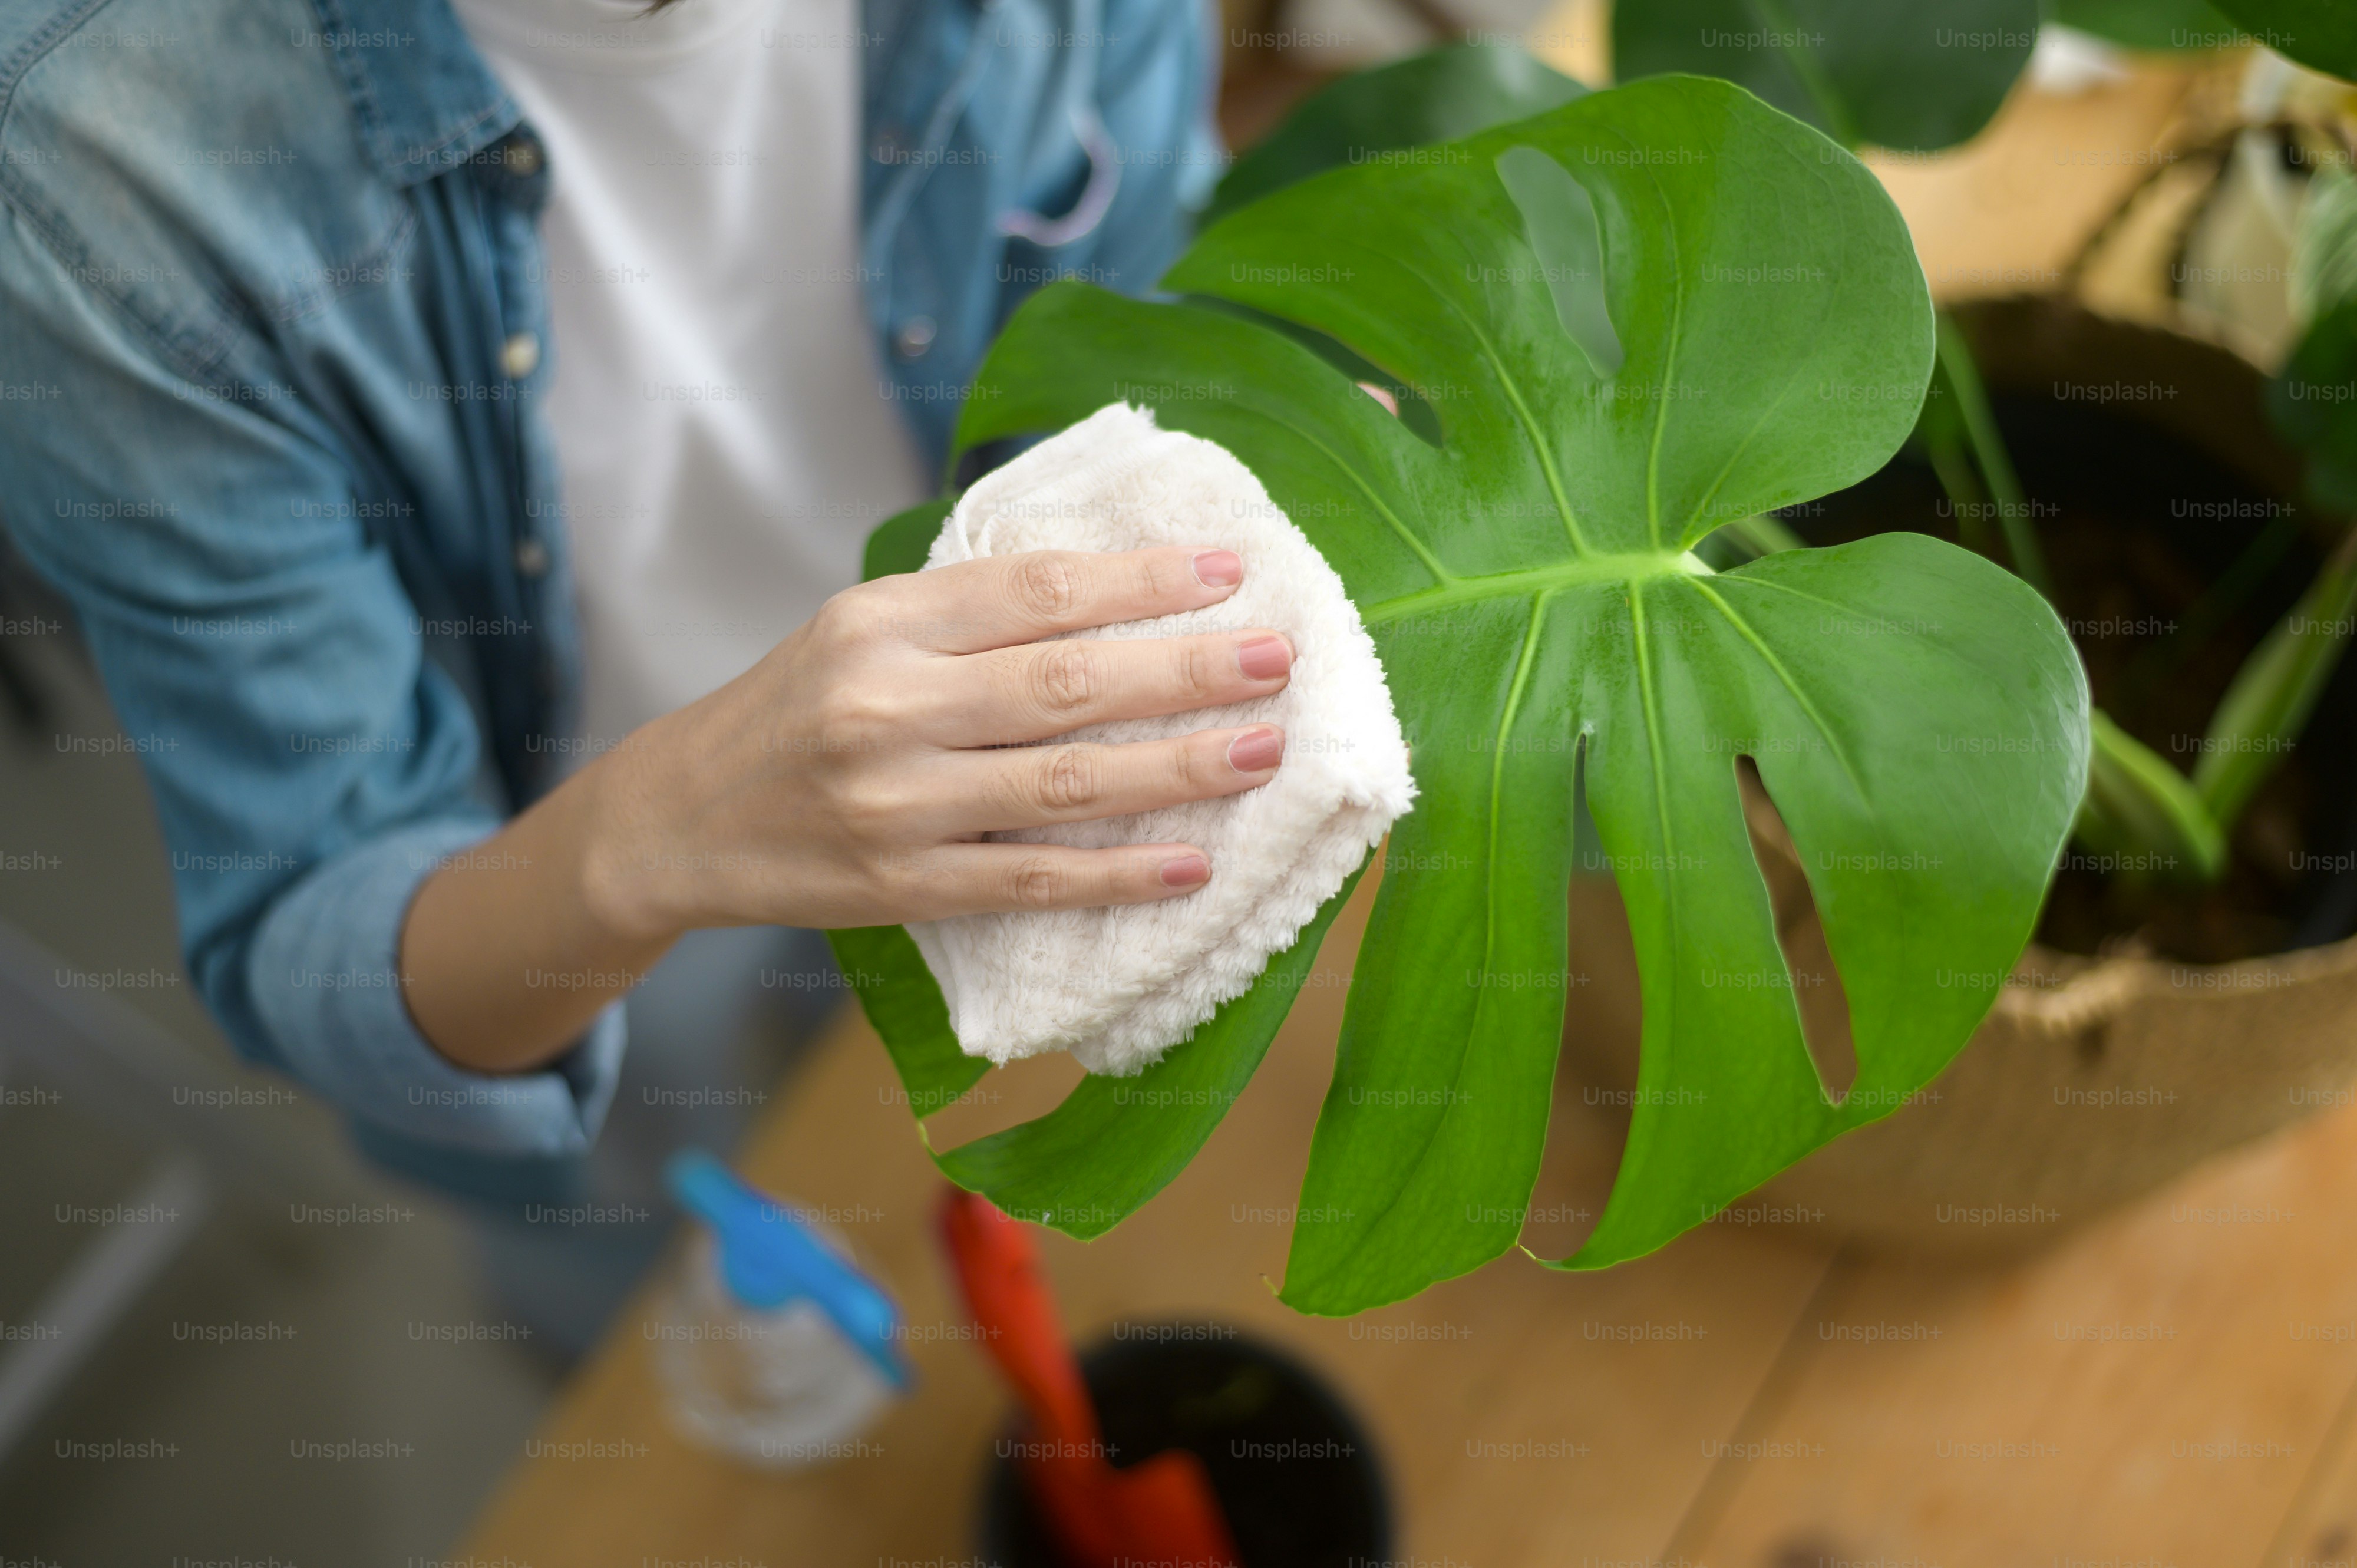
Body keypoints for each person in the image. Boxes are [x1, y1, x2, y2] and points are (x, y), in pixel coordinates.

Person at [0, 0, 1279, 1343]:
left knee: (961, 1188)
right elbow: (314, 922)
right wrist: (657, 835)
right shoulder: (104, 147)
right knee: (650, 1305)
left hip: (1006, 762)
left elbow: (1147, 299)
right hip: (558, 884)